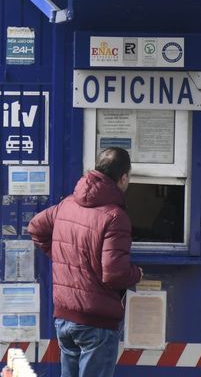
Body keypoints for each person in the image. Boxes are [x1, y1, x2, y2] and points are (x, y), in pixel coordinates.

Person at [28, 147, 142, 377]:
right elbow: (115, 273)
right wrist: (137, 274)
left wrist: (62, 257)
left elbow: (35, 227)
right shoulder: (115, 217)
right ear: (123, 178)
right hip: (96, 321)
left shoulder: (68, 203)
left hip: (64, 317)